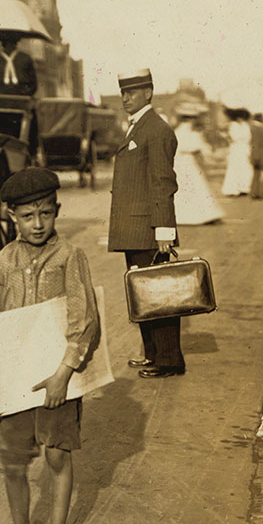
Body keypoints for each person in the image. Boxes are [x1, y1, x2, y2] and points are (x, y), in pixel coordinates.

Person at [0, 167, 99, 524]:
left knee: (56, 456)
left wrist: (64, 373)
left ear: (57, 211)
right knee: (13, 461)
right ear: (12, 216)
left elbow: (85, 320)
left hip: (55, 377)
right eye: (27, 216)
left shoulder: (69, 256)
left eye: (45, 213)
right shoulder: (1, 262)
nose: (37, 224)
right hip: (13, 378)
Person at [108, 68, 184, 378]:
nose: (126, 97)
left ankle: (169, 360)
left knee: (159, 297)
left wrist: (164, 230)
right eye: (123, 91)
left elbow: (163, 183)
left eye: (133, 91)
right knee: (143, 295)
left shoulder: (157, 130)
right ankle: (153, 354)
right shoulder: (138, 128)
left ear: (148, 93)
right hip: (135, 230)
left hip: (149, 231)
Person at [172, 103, 223, 225]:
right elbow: (193, 145)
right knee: (193, 186)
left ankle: (199, 215)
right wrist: (208, 152)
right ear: (188, 119)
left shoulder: (180, 130)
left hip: (184, 161)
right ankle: (200, 215)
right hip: (184, 161)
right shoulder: (185, 131)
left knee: (190, 187)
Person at [221, 106, 253, 197]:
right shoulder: (233, 125)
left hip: (244, 148)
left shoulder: (245, 125)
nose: (241, 119)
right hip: (236, 148)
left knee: (245, 168)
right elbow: (235, 137)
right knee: (234, 168)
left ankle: (244, 188)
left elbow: (247, 137)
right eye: (239, 117)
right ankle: (232, 189)